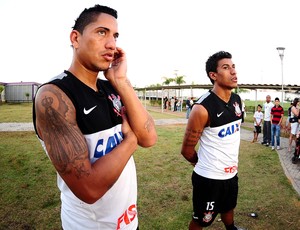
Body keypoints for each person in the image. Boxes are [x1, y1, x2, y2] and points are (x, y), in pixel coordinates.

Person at [32, 5, 157, 230]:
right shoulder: (54, 95)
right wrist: (130, 140)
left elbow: (148, 138)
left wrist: (121, 80)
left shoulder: (113, 88)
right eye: (102, 32)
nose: (112, 44)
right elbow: (88, 189)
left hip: (129, 222)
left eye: (115, 36)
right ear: (75, 38)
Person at [181, 51, 244, 230]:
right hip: (209, 179)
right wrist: (204, 165)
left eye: (233, 67)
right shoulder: (202, 108)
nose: (233, 72)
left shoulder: (237, 100)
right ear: (213, 75)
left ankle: (231, 228)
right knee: (201, 220)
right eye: (226, 68)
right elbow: (186, 150)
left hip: (231, 174)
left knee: (229, 207)